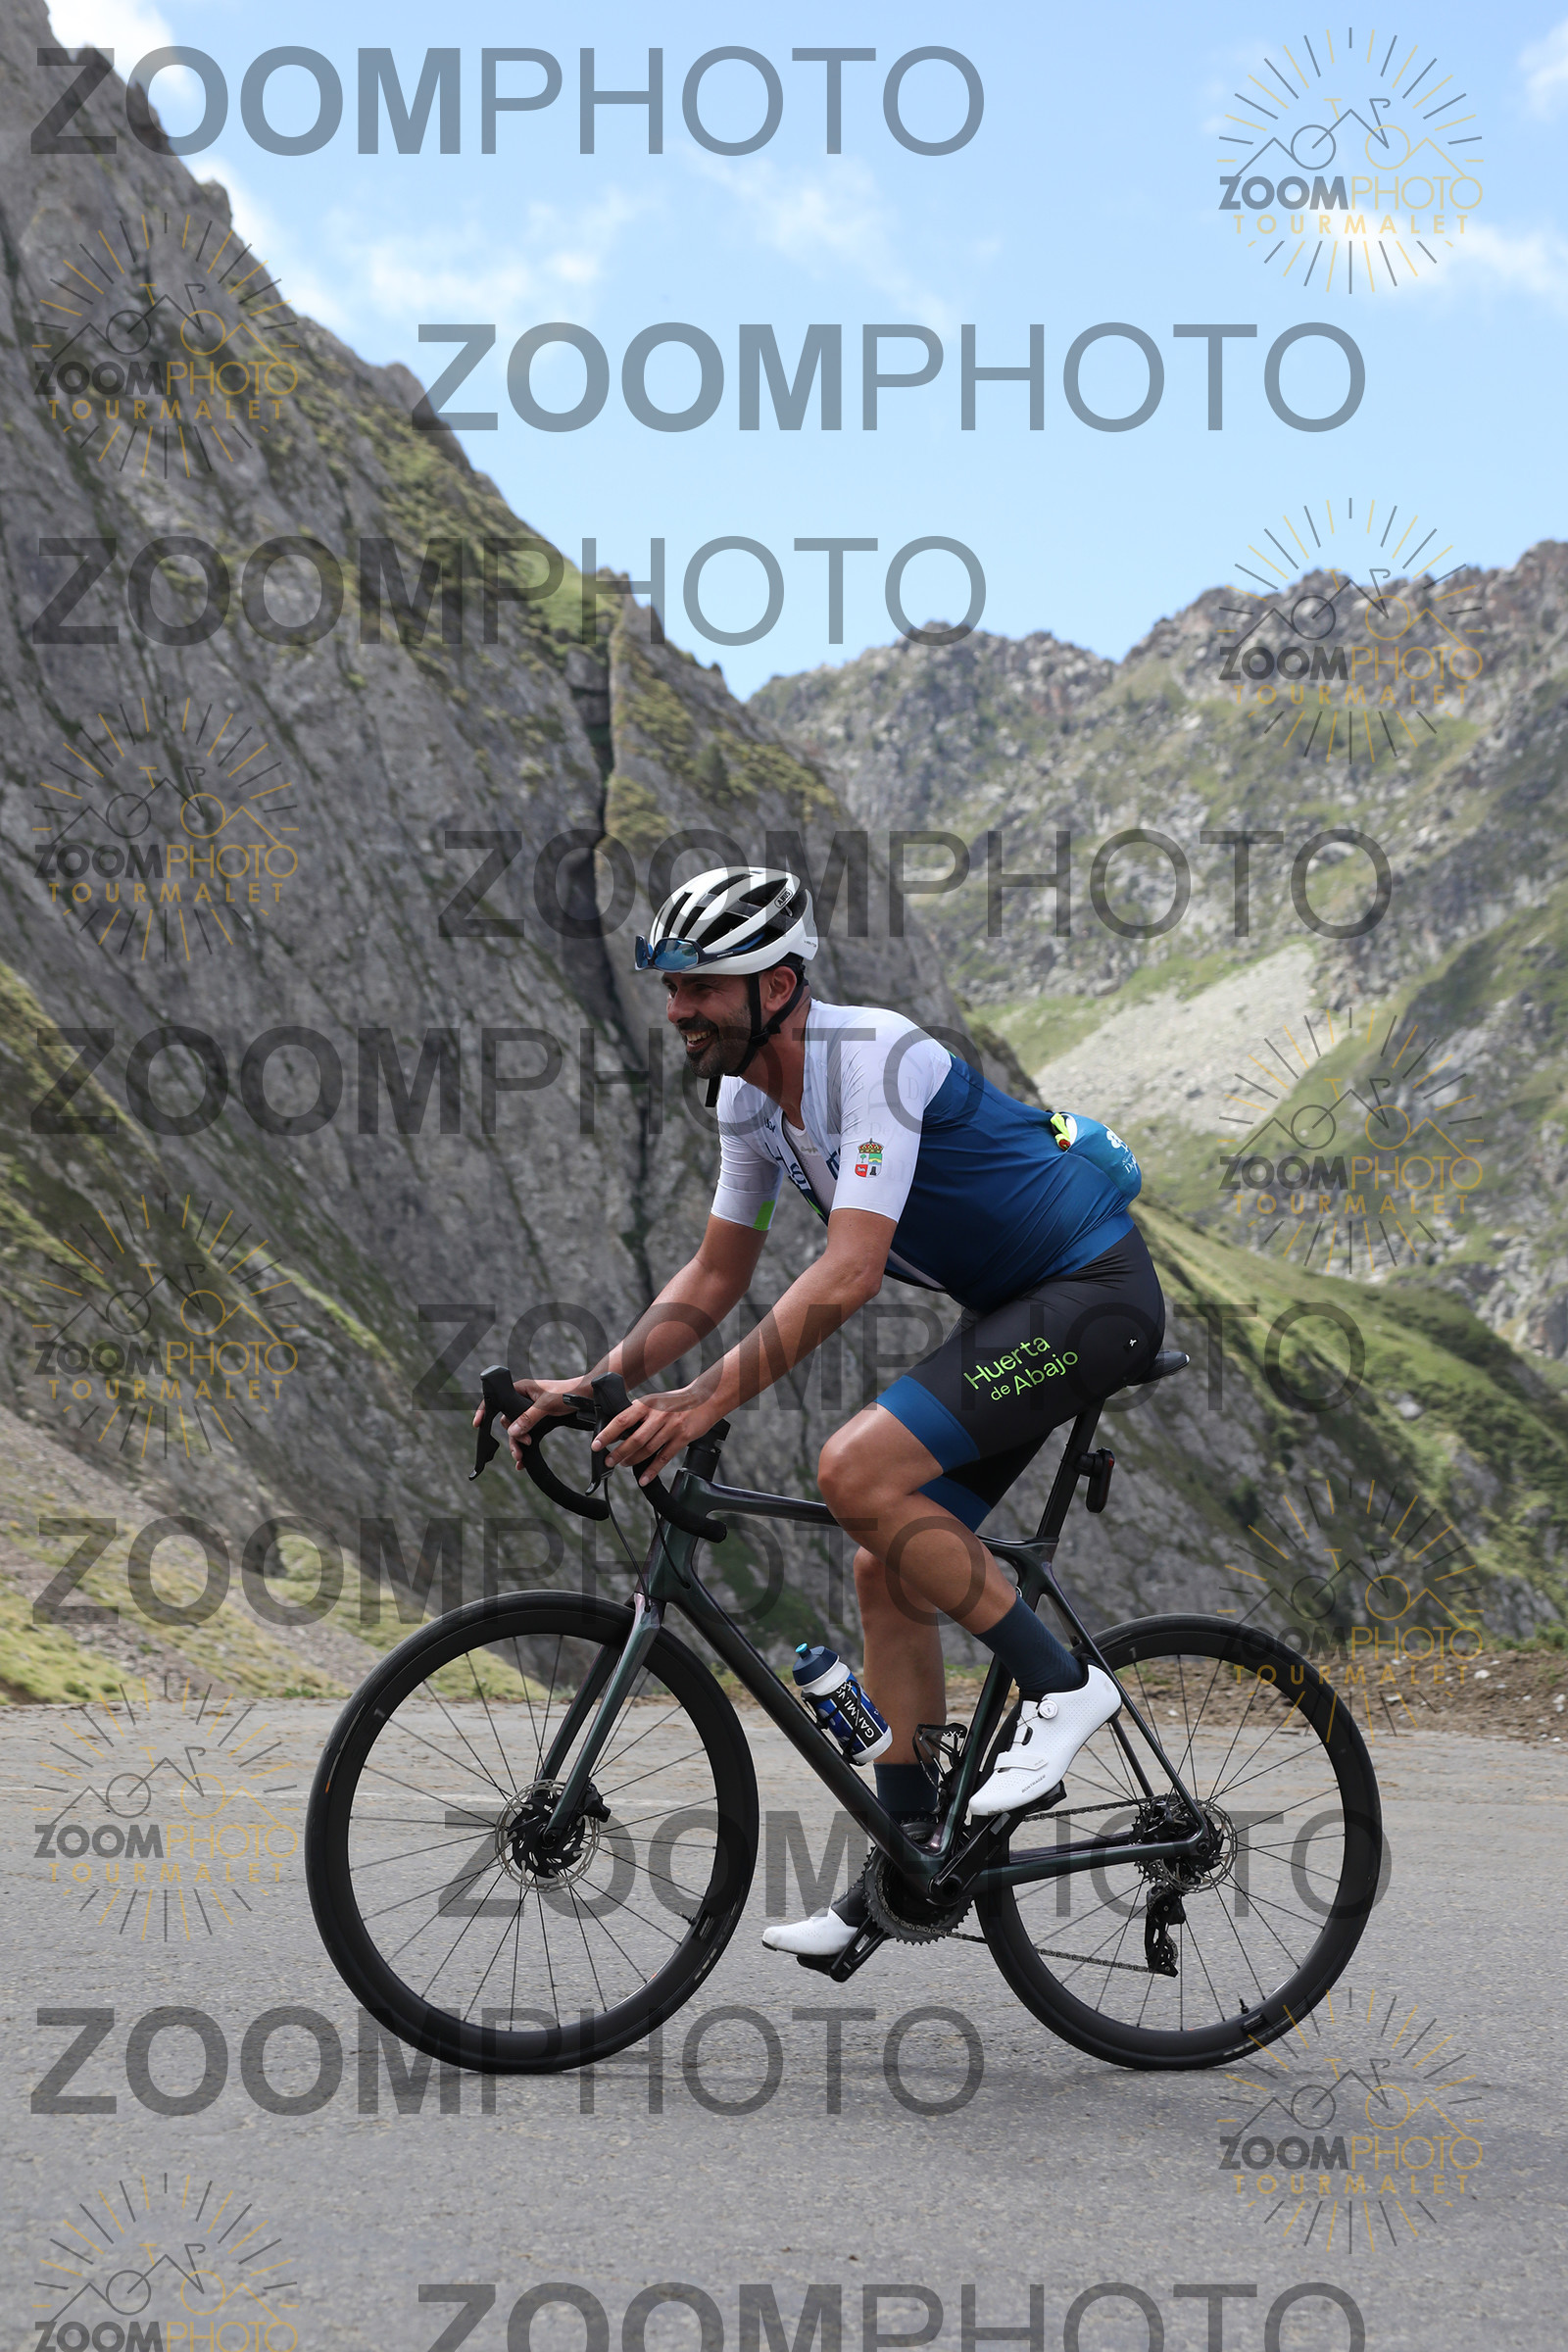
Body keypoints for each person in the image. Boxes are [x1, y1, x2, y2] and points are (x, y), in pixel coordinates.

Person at [497, 865, 1166, 1959]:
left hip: (1094, 1296)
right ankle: (910, 1868)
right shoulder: (748, 1102)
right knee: (883, 1562)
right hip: (1016, 1308)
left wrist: (703, 1398)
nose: (677, 1011)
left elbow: (849, 1272)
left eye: (700, 987)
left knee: (854, 1471)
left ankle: (1063, 1685)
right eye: (671, 988)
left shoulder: (877, 1059)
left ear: (777, 985)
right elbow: (714, 1277)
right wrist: (594, 1379)